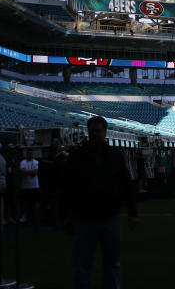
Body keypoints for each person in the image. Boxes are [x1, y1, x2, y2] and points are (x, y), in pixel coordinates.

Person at [62, 116, 138, 289]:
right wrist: (65, 214)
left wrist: (133, 212)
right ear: (88, 132)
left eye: (98, 131)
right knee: (83, 266)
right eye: (92, 131)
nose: (95, 134)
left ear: (105, 132)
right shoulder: (77, 155)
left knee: (111, 264)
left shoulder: (115, 155)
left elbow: (126, 184)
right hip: (85, 216)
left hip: (109, 215)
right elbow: (67, 186)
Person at [19, 149, 40, 229]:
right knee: (25, 202)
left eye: (31, 153)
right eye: (29, 153)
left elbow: (35, 172)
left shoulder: (36, 162)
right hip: (25, 186)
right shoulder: (22, 162)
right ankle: (25, 216)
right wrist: (31, 172)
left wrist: (28, 172)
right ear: (26, 154)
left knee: (34, 203)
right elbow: (23, 171)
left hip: (34, 186)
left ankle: (34, 217)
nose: (30, 155)